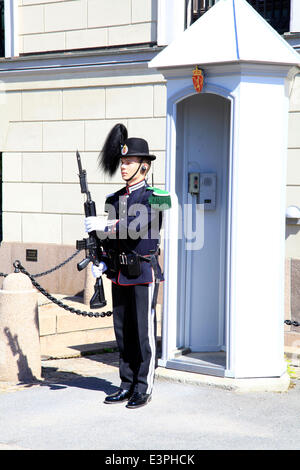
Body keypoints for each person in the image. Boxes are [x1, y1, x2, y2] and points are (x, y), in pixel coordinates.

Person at [84, 124, 171, 409]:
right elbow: (110, 241)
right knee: (123, 332)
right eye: (122, 162)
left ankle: (143, 387)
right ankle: (126, 383)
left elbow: (133, 229)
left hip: (143, 272)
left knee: (143, 333)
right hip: (119, 274)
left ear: (144, 167)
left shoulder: (156, 197)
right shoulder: (114, 199)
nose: (123, 167)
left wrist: (106, 224)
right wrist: (101, 262)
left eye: (129, 162)